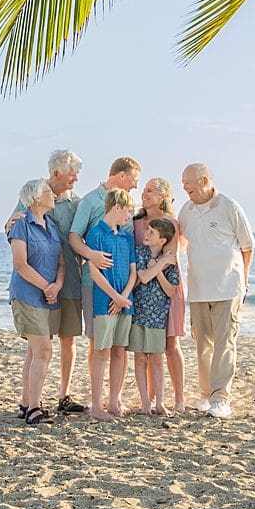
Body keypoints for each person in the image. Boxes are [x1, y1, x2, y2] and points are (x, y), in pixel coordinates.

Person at [6, 148, 87, 414]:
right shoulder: (35, 195)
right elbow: (12, 228)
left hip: (68, 280)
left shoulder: (76, 203)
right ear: (56, 173)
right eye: (71, 175)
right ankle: (29, 402)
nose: (75, 179)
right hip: (37, 285)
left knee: (68, 339)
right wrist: (9, 225)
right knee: (39, 345)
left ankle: (64, 395)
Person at [177, 163, 254, 419]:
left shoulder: (229, 207)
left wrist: (244, 279)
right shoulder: (186, 211)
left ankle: (221, 398)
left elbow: (247, 246)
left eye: (188, 182)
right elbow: (180, 244)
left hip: (228, 287)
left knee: (225, 343)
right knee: (202, 344)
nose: (184, 187)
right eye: (183, 182)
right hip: (198, 289)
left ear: (204, 180)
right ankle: (206, 394)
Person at [8, 178, 64, 426]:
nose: (53, 195)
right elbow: (20, 264)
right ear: (35, 198)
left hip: (49, 296)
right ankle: (34, 408)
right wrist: (46, 287)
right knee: (44, 350)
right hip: (27, 295)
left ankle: (26, 402)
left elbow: (61, 262)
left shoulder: (51, 226)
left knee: (34, 351)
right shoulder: (21, 225)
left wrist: (57, 285)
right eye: (48, 191)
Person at [134, 178, 187, 413]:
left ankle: (179, 399)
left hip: (167, 289)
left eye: (150, 191)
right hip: (143, 292)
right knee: (147, 347)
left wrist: (153, 269)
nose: (144, 194)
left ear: (162, 197)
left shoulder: (170, 223)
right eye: (144, 190)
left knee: (170, 344)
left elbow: (170, 259)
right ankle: (150, 398)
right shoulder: (136, 222)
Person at [84, 188, 137, 418]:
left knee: (119, 351)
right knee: (101, 352)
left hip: (125, 302)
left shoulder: (127, 237)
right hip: (104, 303)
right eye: (128, 211)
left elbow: (133, 272)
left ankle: (114, 402)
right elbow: (94, 271)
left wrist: (123, 297)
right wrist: (115, 297)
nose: (129, 216)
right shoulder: (96, 234)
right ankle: (96, 406)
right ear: (117, 207)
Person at [130, 215, 179, 414]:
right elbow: (143, 276)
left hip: (158, 316)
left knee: (157, 359)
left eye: (152, 232)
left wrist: (158, 271)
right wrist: (160, 264)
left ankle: (160, 402)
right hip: (138, 313)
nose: (146, 233)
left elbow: (171, 290)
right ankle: (145, 403)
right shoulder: (139, 253)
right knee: (140, 358)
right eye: (147, 229)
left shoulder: (171, 260)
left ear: (162, 240)